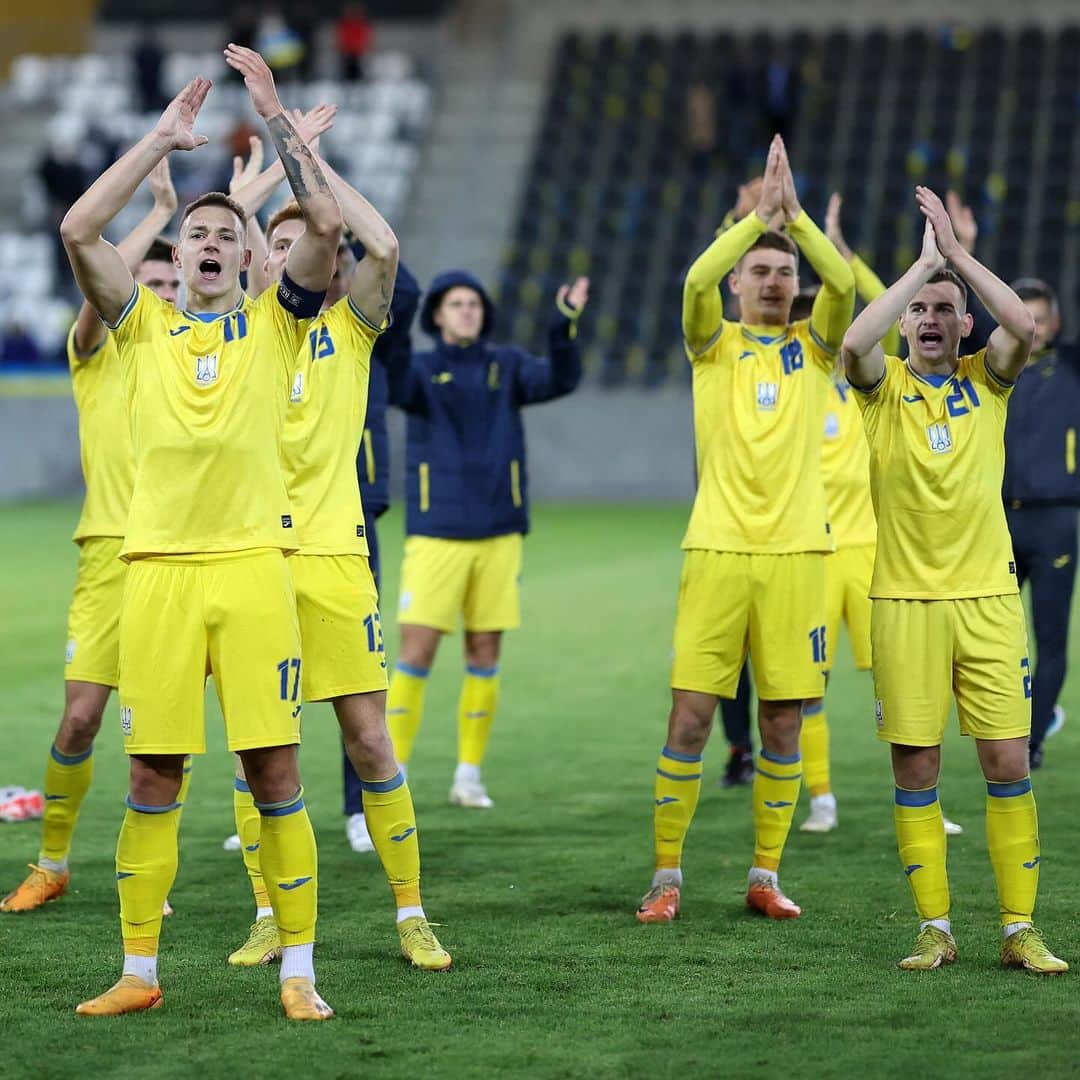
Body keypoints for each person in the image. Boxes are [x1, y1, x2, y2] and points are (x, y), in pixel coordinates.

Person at [63, 47, 343, 1020]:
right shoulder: (140, 327)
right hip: (155, 577)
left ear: (244, 255)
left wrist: (273, 121)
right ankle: (139, 973)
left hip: (255, 572)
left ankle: (300, 972)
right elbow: (78, 227)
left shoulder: (278, 326)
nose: (214, 242)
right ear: (178, 259)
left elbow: (330, 230)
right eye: (200, 235)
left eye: (228, 233)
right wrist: (159, 145)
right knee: (152, 772)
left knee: (274, 771)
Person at [225, 162, 449, 973]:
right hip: (250, 562)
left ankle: (412, 913)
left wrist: (313, 168)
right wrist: (242, 202)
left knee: (368, 740)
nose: (299, 257)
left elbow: (382, 242)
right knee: (259, 751)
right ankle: (265, 915)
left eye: (312, 245)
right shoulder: (235, 336)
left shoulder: (352, 332)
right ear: (263, 261)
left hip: (336, 561)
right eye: (280, 246)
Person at [841, 186, 1066, 974]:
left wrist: (958, 259)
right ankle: (935, 927)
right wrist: (920, 267)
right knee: (918, 768)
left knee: (1007, 762)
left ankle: (1018, 928)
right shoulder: (882, 392)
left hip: (988, 602)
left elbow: (1025, 324)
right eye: (920, 311)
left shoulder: (990, 380)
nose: (931, 319)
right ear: (906, 320)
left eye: (946, 309)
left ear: (965, 324)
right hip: (903, 603)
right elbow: (852, 343)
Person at [636, 135, 855, 925]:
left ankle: (765, 873)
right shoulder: (712, 346)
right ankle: (666, 876)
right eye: (759, 270)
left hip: (801, 554)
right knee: (690, 716)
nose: (772, 279)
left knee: (783, 720)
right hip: (718, 551)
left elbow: (843, 281)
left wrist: (796, 226)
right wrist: (757, 219)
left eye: (782, 272)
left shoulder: (815, 348)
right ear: (738, 285)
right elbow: (694, 277)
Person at [1, 160, 182, 914]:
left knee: (161, 734)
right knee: (80, 716)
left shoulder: (201, 361)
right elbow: (96, 276)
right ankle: (52, 861)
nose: (165, 293)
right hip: (106, 554)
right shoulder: (98, 348)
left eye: (174, 286)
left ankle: (152, 871)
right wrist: (157, 212)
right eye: (152, 282)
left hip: (176, 556)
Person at [383, 270, 588, 809]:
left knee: (484, 653)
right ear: (438, 315)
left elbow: (561, 380)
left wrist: (562, 328)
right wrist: (396, 325)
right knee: (416, 652)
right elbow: (393, 377)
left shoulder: (508, 366)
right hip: (437, 534)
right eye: (456, 303)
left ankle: (468, 776)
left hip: (499, 532)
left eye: (474, 302)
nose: (467, 310)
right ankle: (393, 773)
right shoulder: (421, 370)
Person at [342, 255, 421, 851]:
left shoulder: (372, 337)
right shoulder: (275, 326)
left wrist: (344, 229)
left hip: (355, 518)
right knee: (264, 675)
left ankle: (357, 806)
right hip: (275, 519)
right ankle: (258, 803)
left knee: (357, 673)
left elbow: (408, 290)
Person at [1003, 278, 1079, 768]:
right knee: (994, 640)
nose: (1032, 327)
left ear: (1056, 322)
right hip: (999, 520)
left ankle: (1032, 743)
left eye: (1040, 317)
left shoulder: (1072, 366)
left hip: (1055, 519)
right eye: (1021, 317)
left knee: (1050, 637)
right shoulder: (994, 370)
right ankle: (1005, 728)